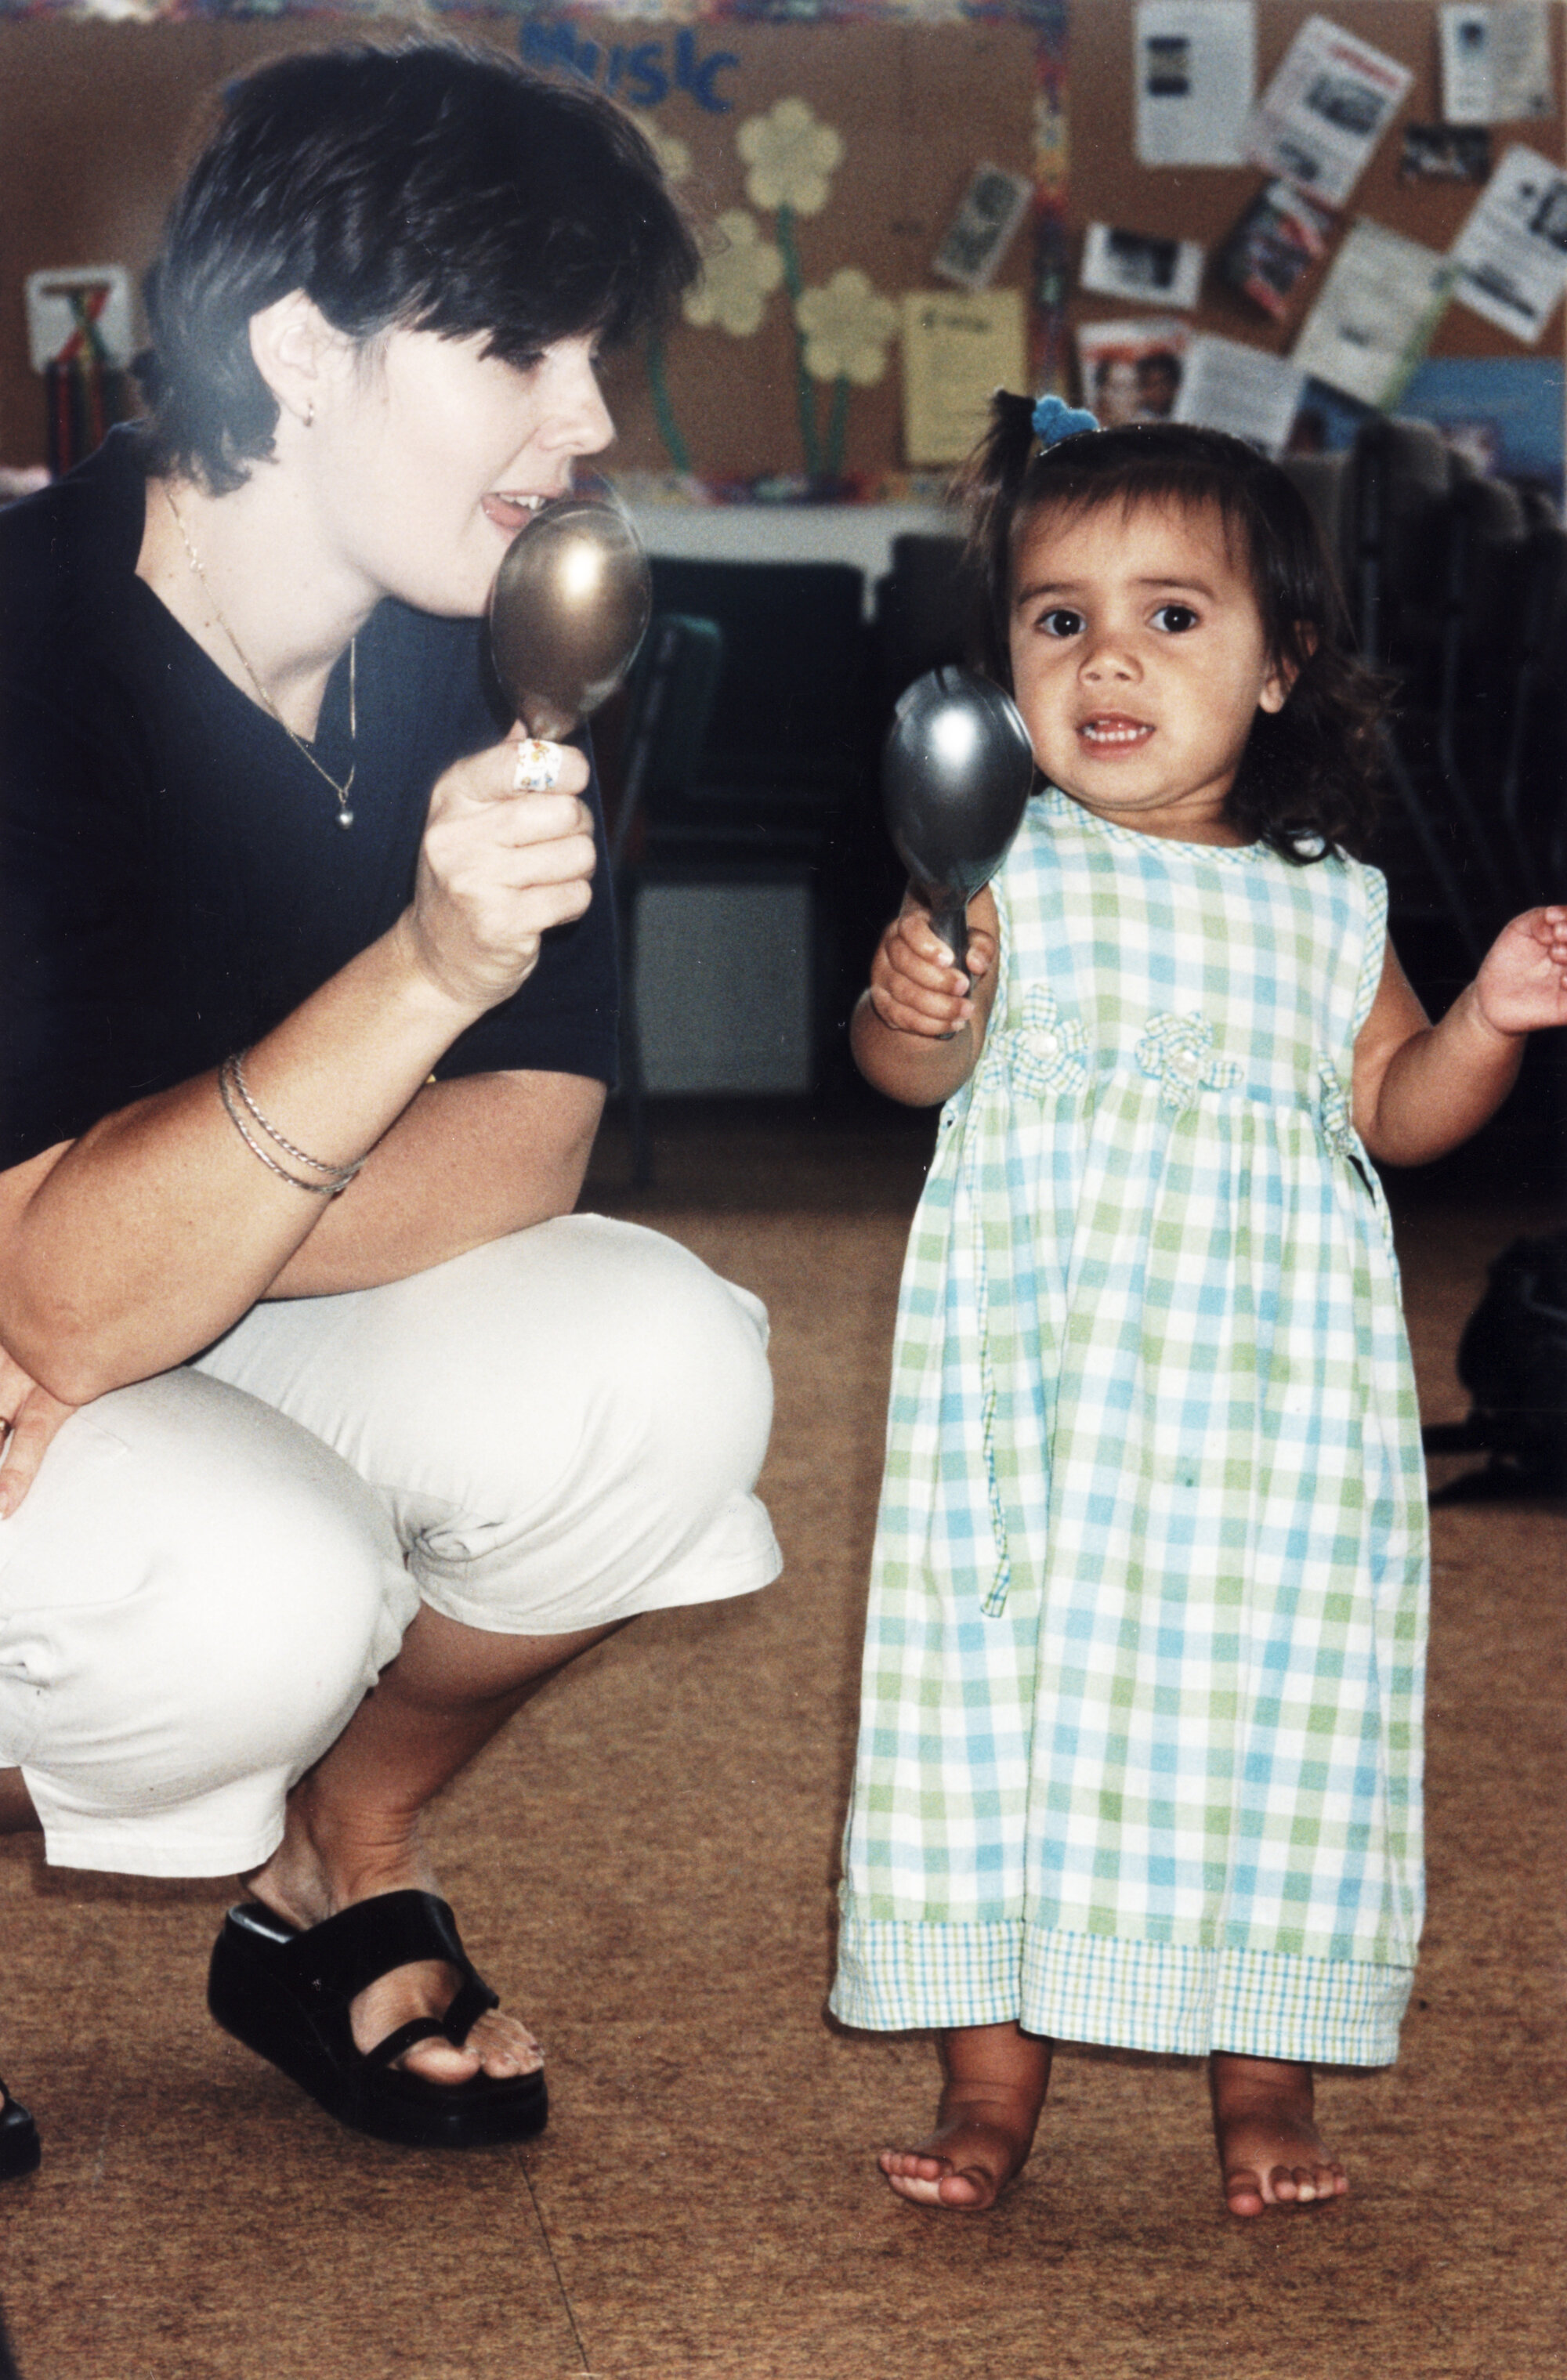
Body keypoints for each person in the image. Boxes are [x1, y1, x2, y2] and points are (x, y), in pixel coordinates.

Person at [0, 42, 780, 2153]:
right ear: (301, 349)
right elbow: (58, 1299)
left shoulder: (494, 629)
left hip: (115, 1314)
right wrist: (421, 970)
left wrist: (138, 1259)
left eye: (597, 348)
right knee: (241, 1594)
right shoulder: (32, 644)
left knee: (668, 1362)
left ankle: (337, 1849)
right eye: (520, 344)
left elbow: (531, 1128)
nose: (592, 415)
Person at [830, 395, 1567, 2215]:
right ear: (1003, 668)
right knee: (995, 1706)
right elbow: (907, 1070)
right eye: (1057, 616)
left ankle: (1268, 2089)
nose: (1108, 656)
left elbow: (1394, 1112)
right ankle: (990, 2088)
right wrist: (915, 1009)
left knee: (1280, 1721)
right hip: (1038, 1405)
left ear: (1281, 668)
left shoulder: (1329, 906)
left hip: (1276, 1427)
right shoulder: (998, 870)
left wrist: (1478, 1020)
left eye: (1172, 615)